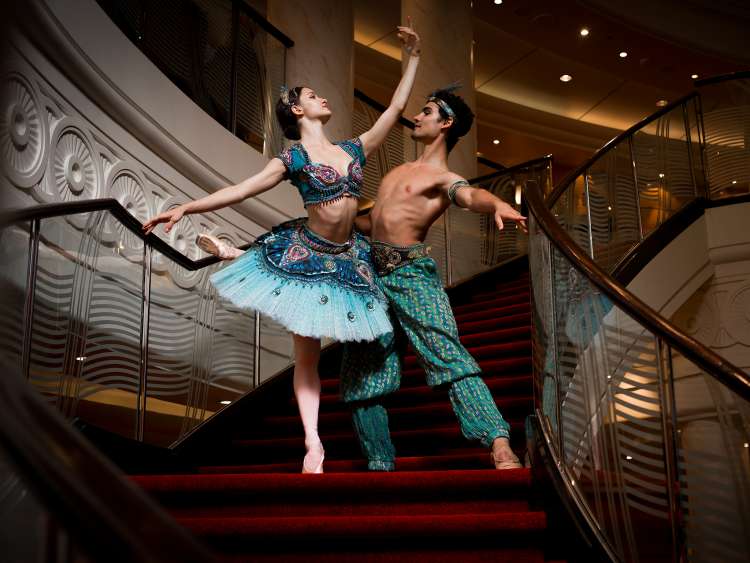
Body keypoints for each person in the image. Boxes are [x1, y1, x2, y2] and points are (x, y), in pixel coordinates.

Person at [142, 20, 422, 474]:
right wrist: (186, 208)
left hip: (351, 258)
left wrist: (414, 58)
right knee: (306, 354)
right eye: (313, 95)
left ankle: (235, 251)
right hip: (308, 255)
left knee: (378, 334)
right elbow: (241, 190)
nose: (323, 98)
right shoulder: (292, 159)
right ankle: (314, 443)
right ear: (295, 109)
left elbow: (395, 108)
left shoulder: (354, 148)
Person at [341, 85, 528, 471]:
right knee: (363, 374)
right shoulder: (396, 172)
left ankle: (498, 442)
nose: (417, 116)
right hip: (371, 276)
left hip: (412, 273)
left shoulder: (444, 177)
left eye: (427, 111)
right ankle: (379, 463)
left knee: (447, 355)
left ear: (446, 123)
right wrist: (327, 221)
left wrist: (497, 204)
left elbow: (469, 195)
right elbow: (372, 222)